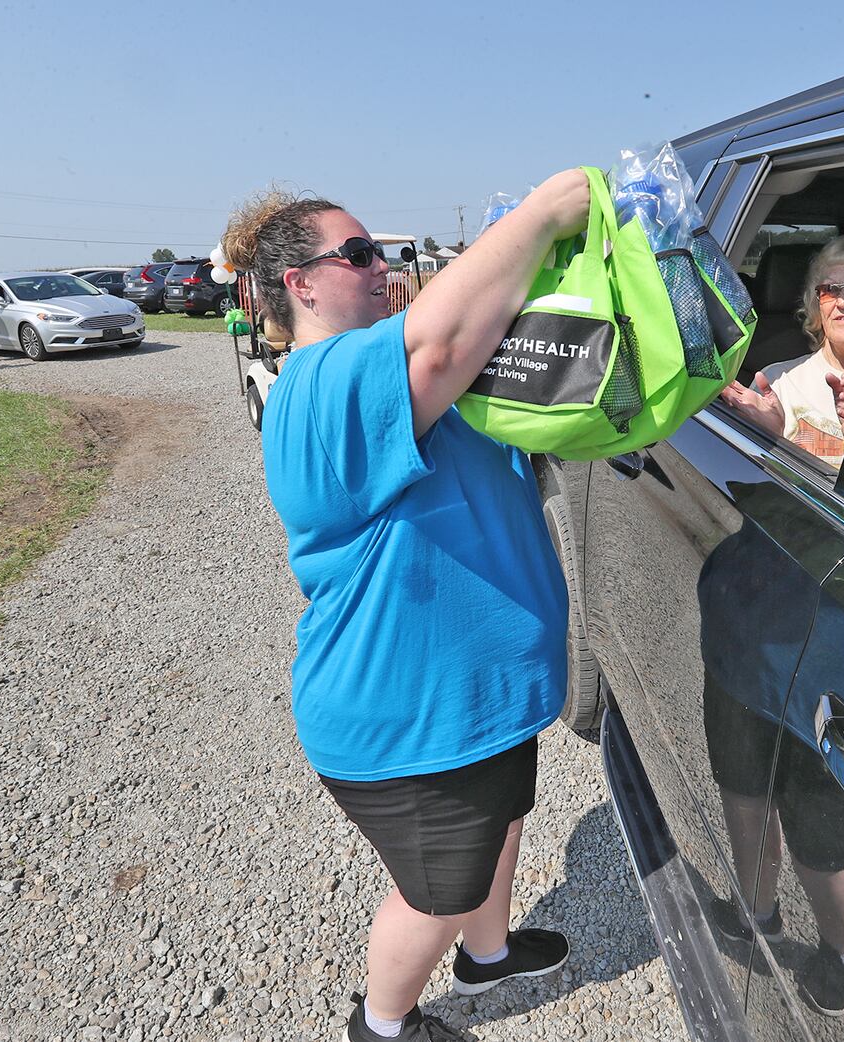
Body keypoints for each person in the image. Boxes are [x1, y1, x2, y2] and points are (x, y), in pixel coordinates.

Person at [221, 170, 590, 1042]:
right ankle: (382, 1025)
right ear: (299, 285)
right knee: (436, 893)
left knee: (504, 820)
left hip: (478, 699)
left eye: (381, 248)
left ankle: (488, 955)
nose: (380, 265)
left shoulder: (378, 365)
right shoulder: (324, 383)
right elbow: (438, 343)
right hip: (411, 717)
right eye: (356, 254)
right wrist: (540, 215)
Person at [720, 231, 844, 467]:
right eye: (830, 289)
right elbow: (743, 481)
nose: (842, 302)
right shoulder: (778, 383)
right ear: (817, 304)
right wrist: (771, 439)